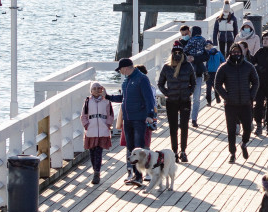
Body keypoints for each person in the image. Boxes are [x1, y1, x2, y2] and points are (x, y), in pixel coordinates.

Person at [215, 43, 260, 163]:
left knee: (247, 128)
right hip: (231, 104)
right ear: (230, 53)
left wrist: (251, 96)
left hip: (245, 103)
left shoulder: (248, 67)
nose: (236, 54)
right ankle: (232, 153)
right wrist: (226, 96)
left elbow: (255, 81)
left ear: (242, 53)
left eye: (238, 52)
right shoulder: (224, 67)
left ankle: (244, 143)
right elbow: (217, 84)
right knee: (231, 130)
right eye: (234, 52)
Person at [114, 58, 155, 186]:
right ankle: (136, 176)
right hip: (128, 119)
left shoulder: (141, 78)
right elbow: (123, 98)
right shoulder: (126, 81)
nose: (120, 72)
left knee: (139, 147)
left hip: (139, 118)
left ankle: (142, 175)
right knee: (131, 148)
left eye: (120, 69)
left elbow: (149, 98)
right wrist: (108, 97)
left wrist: (150, 115)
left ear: (126, 67)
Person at [158, 46, 196, 163]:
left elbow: (193, 83)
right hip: (172, 101)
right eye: (175, 53)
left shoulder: (187, 66)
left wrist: (189, 92)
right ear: (172, 54)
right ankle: (174, 151)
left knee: (184, 126)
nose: (177, 55)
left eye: (180, 53)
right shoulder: (167, 67)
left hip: (184, 100)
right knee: (173, 127)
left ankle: (183, 151)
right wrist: (167, 93)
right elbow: (160, 83)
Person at [81, 81, 114, 185]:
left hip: (102, 129)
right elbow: (83, 115)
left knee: (99, 151)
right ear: (91, 91)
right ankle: (95, 169)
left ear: (102, 89)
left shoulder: (106, 101)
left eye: (98, 88)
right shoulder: (87, 101)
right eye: (94, 89)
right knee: (92, 152)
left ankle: (97, 172)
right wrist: (86, 125)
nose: (96, 90)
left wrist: (108, 124)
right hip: (91, 129)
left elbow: (110, 115)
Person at [198, 42, 223, 126]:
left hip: (217, 72)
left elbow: (223, 60)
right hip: (208, 72)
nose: (208, 47)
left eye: (209, 46)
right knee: (208, 87)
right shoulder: (206, 54)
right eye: (207, 46)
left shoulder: (218, 53)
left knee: (216, 86)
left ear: (212, 45)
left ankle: (217, 97)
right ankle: (209, 101)